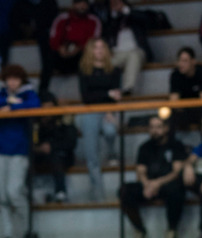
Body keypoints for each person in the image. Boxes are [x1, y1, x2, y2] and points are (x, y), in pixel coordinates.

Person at [0, 64, 41, 238]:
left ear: (21, 80)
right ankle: (8, 236)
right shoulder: (1, 95)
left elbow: (35, 105)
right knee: (3, 196)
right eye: (9, 78)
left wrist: (13, 107)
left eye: (16, 79)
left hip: (19, 152)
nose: (12, 82)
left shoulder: (28, 94)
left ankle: (28, 232)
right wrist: (5, 103)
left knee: (14, 192)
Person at [119, 115, 187, 238]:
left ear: (166, 128)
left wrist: (157, 183)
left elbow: (177, 171)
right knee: (124, 190)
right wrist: (146, 184)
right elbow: (140, 170)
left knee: (177, 190)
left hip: (166, 183)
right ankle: (140, 230)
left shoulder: (175, 145)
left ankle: (171, 230)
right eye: (151, 127)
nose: (155, 130)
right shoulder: (145, 147)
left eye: (158, 127)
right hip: (148, 185)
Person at [77, 38, 122, 201]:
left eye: (102, 47)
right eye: (96, 48)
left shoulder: (114, 70)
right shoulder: (85, 70)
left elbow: (117, 94)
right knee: (91, 153)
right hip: (90, 111)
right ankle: (98, 192)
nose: (99, 51)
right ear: (90, 51)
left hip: (109, 110)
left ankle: (112, 153)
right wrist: (107, 95)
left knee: (110, 130)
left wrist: (110, 108)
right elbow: (86, 97)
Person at [43, 0, 101, 97]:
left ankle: (88, 94)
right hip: (63, 56)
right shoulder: (62, 19)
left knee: (89, 57)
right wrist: (60, 49)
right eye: (79, 3)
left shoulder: (93, 20)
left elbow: (94, 42)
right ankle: (43, 92)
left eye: (84, 3)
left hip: (80, 56)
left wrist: (78, 48)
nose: (82, 6)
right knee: (49, 58)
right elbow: (53, 40)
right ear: (73, 4)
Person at [92, 0, 150, 95]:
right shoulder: (110, 20)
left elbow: (146, 20)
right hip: (116, 53)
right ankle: (104, 92)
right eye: (112, 3)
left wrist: (125, 10)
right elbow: (105, 33)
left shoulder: (133, 15)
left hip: (135, 50)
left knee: (134, 56)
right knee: (102, 61)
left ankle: (128, 89)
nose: (115, 4)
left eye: (117, 2)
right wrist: (113, 15)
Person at [33, 91, 78, 203]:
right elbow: (29, 142)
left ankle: (60, 192)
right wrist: (39, 148)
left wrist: (52, 146)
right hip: (39, 155)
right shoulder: (34, 121)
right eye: (44, 108)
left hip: (61, 154)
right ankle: (30, 193)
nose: (47, 111)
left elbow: (71, 142)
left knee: (56, 156)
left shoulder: (63, 117)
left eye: (50, 108)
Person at [169, 47, 202, 130]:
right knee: (171, 116)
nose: (181, 64)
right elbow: (173, 101)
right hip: (183, 112)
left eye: (185, 61)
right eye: (179, 61)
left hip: (201, 110)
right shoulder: (175, 75)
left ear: (193, 61)